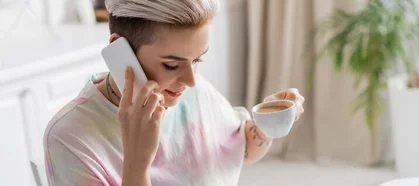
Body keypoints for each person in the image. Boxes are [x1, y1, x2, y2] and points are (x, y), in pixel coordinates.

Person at [42, 0, 305, 185]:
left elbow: (243, 148)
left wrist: (268, 121)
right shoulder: (70, 138)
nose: (191, 80)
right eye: (171, 65)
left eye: (198, 60)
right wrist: (137, 162)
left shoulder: (192, 91)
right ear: (120, 52)